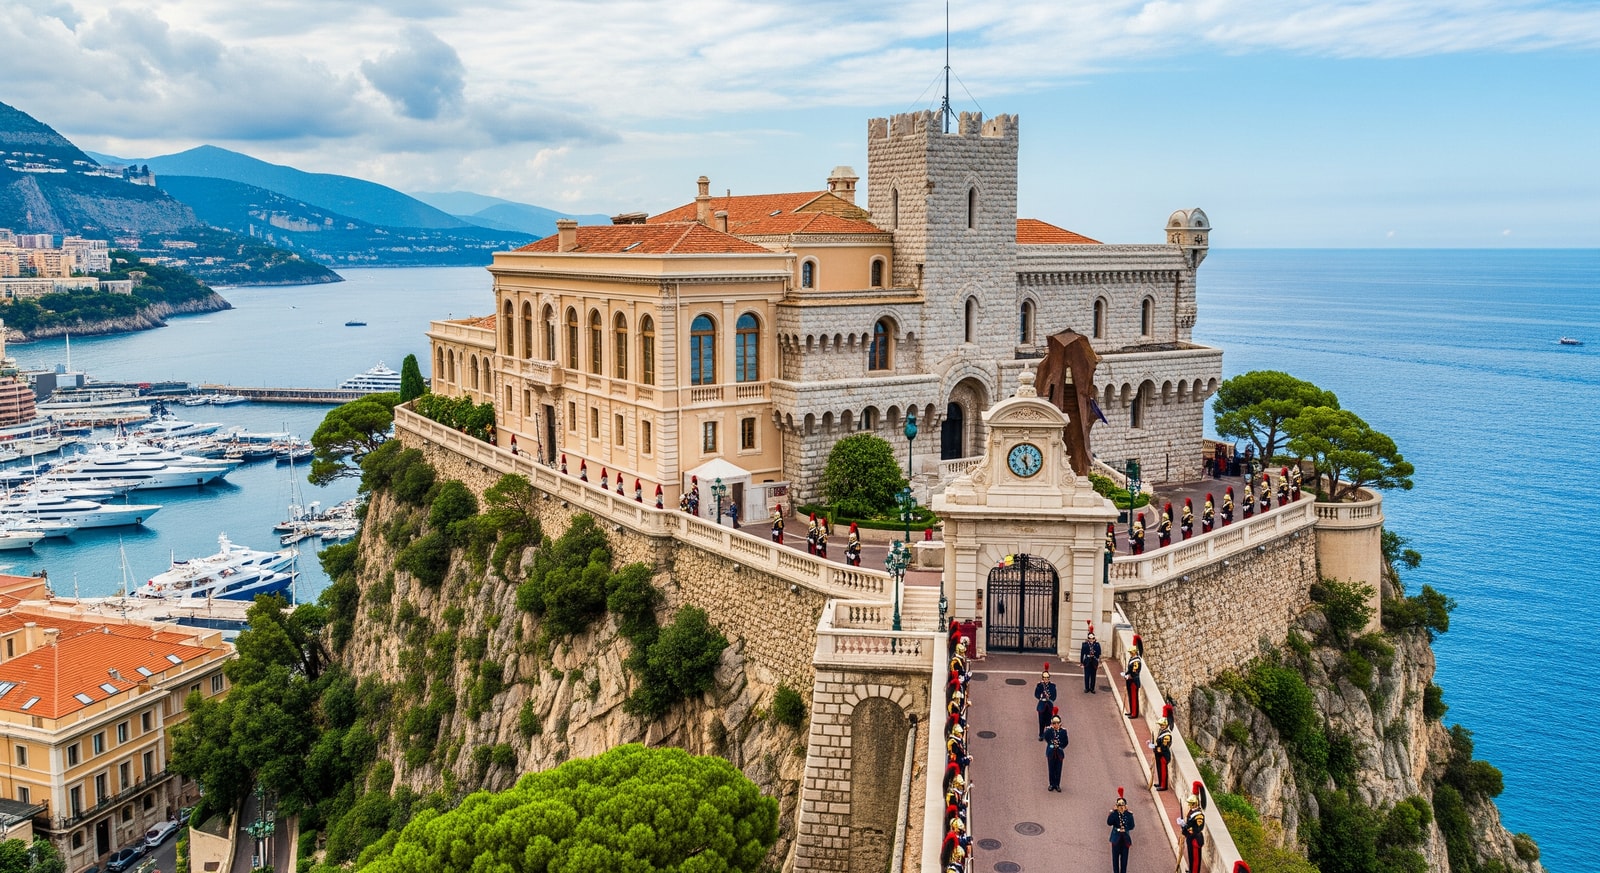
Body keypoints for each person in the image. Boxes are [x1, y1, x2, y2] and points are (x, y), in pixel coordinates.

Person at [1107, 788, 1135, 873]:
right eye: (1119, 806)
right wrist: (1112, 812)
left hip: (1125, 839)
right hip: (1116, 838)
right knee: (1115, 860)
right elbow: (1109, 822)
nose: (1121, 808)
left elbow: (1132, 826)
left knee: (1124, 860)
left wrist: (1125, 829)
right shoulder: (1114, 814)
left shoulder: (1129, 815)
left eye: (1122, 806)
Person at [1178, 789, 1207, 873]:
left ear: (1195, 804)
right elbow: (1189, 823)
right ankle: (1191, 870)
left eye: (1191, 804)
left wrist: (1185, 827)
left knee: (1195, 859)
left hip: (1195, 839)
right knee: (1191, 856)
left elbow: (1198, 828)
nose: (1190, 806)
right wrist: (1184, 824)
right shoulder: (1192, 812)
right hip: (1191, 838)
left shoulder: (1199, 816)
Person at [1043, 709, 1069, 791]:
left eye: (1057, 723)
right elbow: (1046, 737)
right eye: (1054, 723)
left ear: (1060, 724)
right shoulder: (1049, 730)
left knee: (1058, 769)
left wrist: (1060, 746)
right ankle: (1051, 784)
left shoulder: (1063, 732)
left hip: (1059, 752)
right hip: (1051, 752)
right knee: (1051, 769)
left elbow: (1066, 741)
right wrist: (1051, 742)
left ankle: (1057, 784)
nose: (1055, 725)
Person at [1149, 716, 1173, 790]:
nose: (1161, 726)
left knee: (1163, 771)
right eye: (1160, 725)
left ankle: (1163, 786)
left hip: (1164, 755)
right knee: (1159, 770)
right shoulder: (1162, 731)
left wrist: (1154, 748)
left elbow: (1162, 748)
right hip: (1160, 755)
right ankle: (1160, 783)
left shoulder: (1166, 736)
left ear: (1165, 725)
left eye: (1162, 725)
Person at [1034, 663, 1057, 739]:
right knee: (1041, 721)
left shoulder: (1052, 686)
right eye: (1044, 678)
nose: (1046, 679)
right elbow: (1036, 694)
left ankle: (1047, 734)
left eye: (1047, 678)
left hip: (1049, 705)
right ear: (1043, 678)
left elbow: (1054, 696)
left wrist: (1049, 698)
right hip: (1042, 705)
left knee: (1048, 721)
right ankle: (1041, 734)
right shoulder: (1040, 685)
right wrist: (1041, 696)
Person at [1122, 649, 1143, 718]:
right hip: (1130, 681)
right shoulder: (1132, 658)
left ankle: (1134, 714)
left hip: (1133, 681)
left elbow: (1134, 672)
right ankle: (1131, 711)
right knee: (1131, 697)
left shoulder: (1136, 661)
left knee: (1134, 698)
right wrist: (1126, 674)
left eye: (1131, 652)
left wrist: (1128, 676)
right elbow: (1130, 670)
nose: (1130, 653)